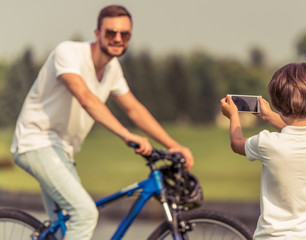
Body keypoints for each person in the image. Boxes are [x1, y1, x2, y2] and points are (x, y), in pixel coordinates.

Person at [11, 5, 194, 240]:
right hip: (35, 142)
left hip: (63, 152)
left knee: (68, 223)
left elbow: (134, 109)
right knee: (85, 214)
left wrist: (173, 144)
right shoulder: (67, 53)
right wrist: (128, 136)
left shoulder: (112, 69)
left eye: (124, 34)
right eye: (110, 33)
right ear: (97, 34)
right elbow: (87, 99)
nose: (117, 39)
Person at [220, 62, 306, 239]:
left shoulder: (267, 143)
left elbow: (236, 143)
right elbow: (299, 133)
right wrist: (269, 117)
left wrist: (233, 116)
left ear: (278, 103)